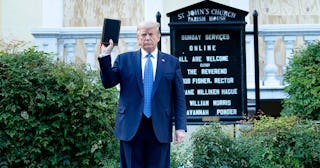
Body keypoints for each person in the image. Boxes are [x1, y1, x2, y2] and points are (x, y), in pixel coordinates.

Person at [97, 21, 187, 168]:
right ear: (138, 38)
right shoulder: (124, 60)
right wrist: (105, 56)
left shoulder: (171, 63)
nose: (147, 38)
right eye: (143, 34)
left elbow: (179, 98)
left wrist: (180, 127)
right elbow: (108, 82)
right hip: (131, 127)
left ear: (158, 37)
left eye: (151, 34)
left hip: (160, 127)